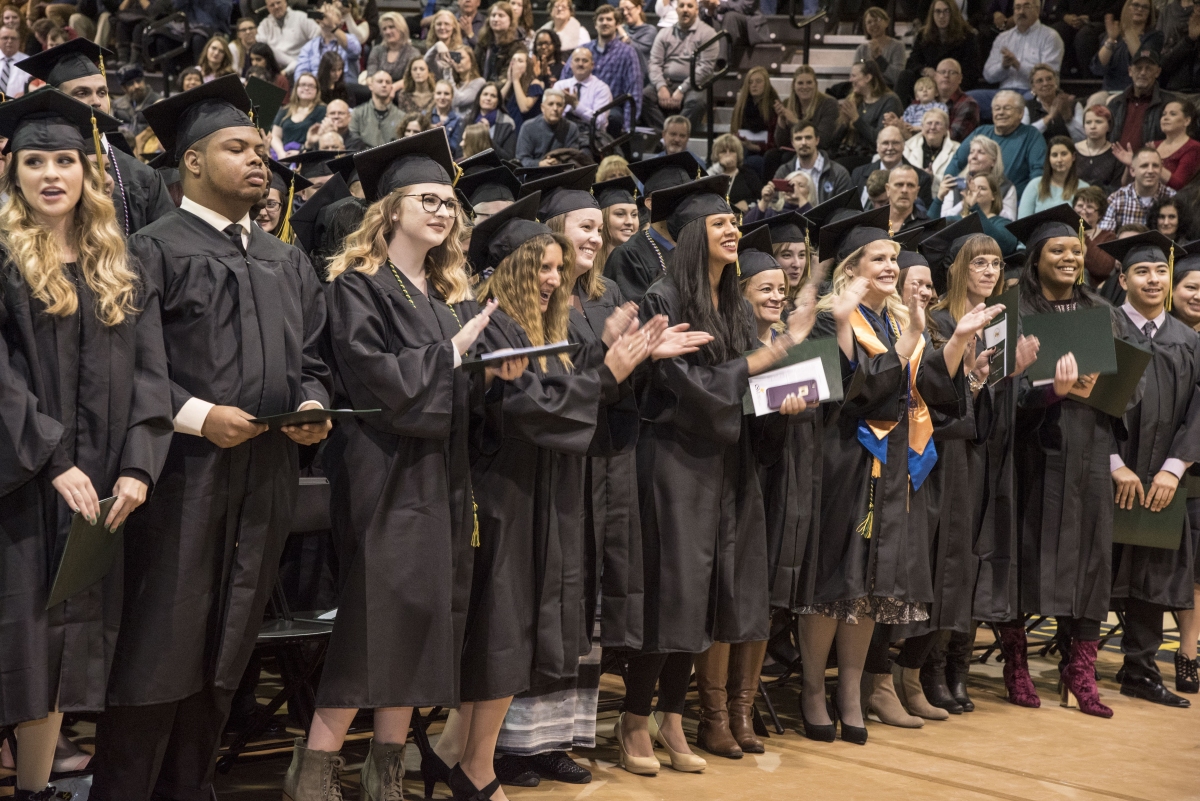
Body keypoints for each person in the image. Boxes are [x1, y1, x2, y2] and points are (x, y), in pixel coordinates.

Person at [89, 74, 333, 801]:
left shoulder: (285, 259)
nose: (260, 161)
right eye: (238, 148)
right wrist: (198, 415)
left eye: (262, 149)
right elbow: (127, 365)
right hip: (178, 478)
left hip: (263, 480)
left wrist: (313, 403)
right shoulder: (150, 249)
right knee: (157, 652)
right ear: (191, 161)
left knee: (228, 652)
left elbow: (312, 358)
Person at [281, 128, 506, 800]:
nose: (442, 211)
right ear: (390, 210)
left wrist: (490, 370)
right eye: (427, 200)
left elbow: (453, 392)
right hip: (382, 475)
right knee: (375, 623)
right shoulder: (357, 287)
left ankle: (386, 775)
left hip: (436, 476)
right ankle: (315, 773)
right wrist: (455, 355)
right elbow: (377, 380)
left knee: (419, 624)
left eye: (448, 202)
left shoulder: (439, 297)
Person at [440, 192, 663, 801]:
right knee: (500, 634)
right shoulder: (491, 324)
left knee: (515, 632)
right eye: (540, 268)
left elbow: (556, 381)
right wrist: (609, 370)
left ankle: (453, 752)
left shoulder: (538, 325)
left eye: (557, 270)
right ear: (510, 269)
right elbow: (530, 407)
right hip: (504, 501)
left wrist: (605, 352)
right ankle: (475, 766)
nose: (553, 279)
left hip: (538, 494)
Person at [0, 88, 171, 801]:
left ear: (86, 172)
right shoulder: (4, 260)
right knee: (24, 644)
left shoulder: (118, 265)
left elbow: (152, 375)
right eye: (34, 160)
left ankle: (36, 789)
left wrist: (137, 465)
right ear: (13, 173)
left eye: (64, 160)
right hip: (20, 489)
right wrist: (50, 456)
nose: (50, 174)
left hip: (97, 493)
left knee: (62, 652)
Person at [620, 174, 821, 774]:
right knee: (673, 595)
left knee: (710, 596)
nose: (734, 228)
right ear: (690, 235)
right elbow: (682, 388)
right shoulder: (663, 299)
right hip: (674, 462)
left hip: (727, 465)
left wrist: (782, 404)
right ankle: (635, 718)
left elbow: (746, 396)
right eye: (720, 222)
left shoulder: (730, 305)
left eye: (735, 221)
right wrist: (763, 360)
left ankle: (674, 718)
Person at [800, 206, 999, 745]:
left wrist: (956, 340)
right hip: (844, 460)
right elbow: (851, 392)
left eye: (893, 257)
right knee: (834, 580)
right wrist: (910, 332)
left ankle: (852, 693)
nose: (891, 265)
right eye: (879, 257)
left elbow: (931, 388)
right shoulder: (828, 317)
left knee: (870, 586)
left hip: (891, 467)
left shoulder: (892, 317)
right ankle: (815, 690)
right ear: (851, 266)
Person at [995, 204, 1123, 718]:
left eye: (1075, 249)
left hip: (1089, 450)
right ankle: (1016, 665)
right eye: (1058, 250)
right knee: (1025, 556)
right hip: (1034, 453)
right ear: (1036, 258)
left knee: (1092, 560)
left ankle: (1081, 670)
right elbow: (1004, 392)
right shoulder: (1017, 313)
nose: (1070, 257)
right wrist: (1051, 392)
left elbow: (1127, 388)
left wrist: (1100, 387)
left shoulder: (1100, 311)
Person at [1098, 232, 1200, 710]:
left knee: (1153, 575)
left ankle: (1139, 669)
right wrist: (1115, 464)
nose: (1154, 279)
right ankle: (1078, 664)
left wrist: (1174, 469)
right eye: (1142, 271)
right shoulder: (1108, 328)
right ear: (1123, 279)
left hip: (1164, 479)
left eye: (1161, 271)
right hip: (1108, 473)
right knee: (1096, 567)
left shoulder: (1189, 340)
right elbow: (1090, 405)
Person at [17, 38, 175, 236]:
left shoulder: (142, 176)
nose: (96, 102)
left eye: (102, 92)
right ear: (56, 99)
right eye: (82, 93)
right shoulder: (35, 174)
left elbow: (167, 247)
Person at [604, 151, 701, 303]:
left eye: (687, 197)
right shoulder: (629, 256)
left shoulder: (696, 249)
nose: (683, 204)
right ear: (650, 203)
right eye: (675, 197)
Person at [945, 90, 1047, 195]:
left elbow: (1038, 172)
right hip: (978, 198)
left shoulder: (1031, 135)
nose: (1001, 112)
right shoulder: (981, 132)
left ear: (1020, 113)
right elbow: (956, 161)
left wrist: (1029, 200)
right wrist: (947, 184)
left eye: (1007, 108)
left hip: (1015, 202)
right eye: (997, 108)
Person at [564, 4, 642, 130]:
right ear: (595, 24)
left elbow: (634, 92)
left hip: (610, 108)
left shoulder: (627, 53)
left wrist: (628, 127)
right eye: (601, 19)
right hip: (580, 101)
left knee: (613, 119)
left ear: (617, 24)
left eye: (609, 19)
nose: (605, 23)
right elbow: (565, 78)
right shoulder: (582, 50)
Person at [643, 0, 717, 130]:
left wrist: (682, 89)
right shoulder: (665, 33)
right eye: (681, 6)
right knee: (644, 97)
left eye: (690, 6)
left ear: (697, 10)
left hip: (694, 85)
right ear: (676, 10)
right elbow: (654, 63)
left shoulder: (708, 33)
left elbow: (705, 68)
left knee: (697, 103)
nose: (685, 9)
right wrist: (661, 86)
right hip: (667, 82)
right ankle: (664, 135)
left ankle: (675, 133)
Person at [898, 0, 982, 101]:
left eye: (946, 11)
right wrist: (924, 70)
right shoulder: (923, 35)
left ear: (953, 13)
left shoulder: (967, 36)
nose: (941, 16)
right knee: (905, 76)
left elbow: (972, 71)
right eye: (937, 11)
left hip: (953, 82)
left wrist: (946, 76)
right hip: (928, 82)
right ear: (932, 14)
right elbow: (912, 62)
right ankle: (899, 114)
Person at [983, 0, 1064, 92]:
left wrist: (1018, 65)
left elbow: (1049, 77)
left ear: (1038, 10)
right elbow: (988, 76)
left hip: (1033, 91)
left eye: (1026, 6)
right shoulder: (1003, 38)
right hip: (1004, 92)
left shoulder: (1050, 36)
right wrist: (1003, 66)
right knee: (973, 97)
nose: (1021, 12)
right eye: (1017, 8)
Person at [831, 60, 902, 164]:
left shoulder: (889, 101)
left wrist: (856, 119)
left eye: (854, 76)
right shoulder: (854, 99)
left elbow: (881, 139)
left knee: (840, 165)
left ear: (868, 78)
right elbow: (834, 143)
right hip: (848, 152)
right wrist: (845, 123)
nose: (850, 80)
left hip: (872, 156)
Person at [1122, 99, 1200, 191]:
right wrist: (1130, 165)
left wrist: (1155, 162)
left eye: (1173, 114)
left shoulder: (1193, 147)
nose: (1165, 118)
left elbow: (1179, 185)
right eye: (1164, 114)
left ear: (1187, 121)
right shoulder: (1153, 145)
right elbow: (1126, 184)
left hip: (1174, 202)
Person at [935, 136, 1019, 220]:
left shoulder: (1006, 187)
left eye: (981, 152)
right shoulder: (956, 183)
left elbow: (1010, 221)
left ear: (993, 161)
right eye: (971, 152)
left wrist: (986, 203)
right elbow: (944, 218)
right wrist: (965, 203)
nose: (973, 157)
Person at [850, 126, 934, 209]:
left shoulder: (922, 178)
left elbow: (924, 216)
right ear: (877, 147)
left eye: (895, 143)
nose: (890, 148)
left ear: (904, 145)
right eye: (885, 143)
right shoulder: (858, 174)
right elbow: (851, 210)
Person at [1106, 49, 1173, 152]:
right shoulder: (1115, 103)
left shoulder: (1169, 103)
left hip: (1150, 164)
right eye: (1138, 68)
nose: (1143, 73)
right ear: (1130, 71)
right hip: (1116, 164)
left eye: (1149, 68)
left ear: (1157, 72)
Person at [773, 121, 852, 204]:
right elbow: (774, 204)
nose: (803, 143)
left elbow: (846, 208)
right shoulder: (783, 172)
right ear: (793, 143)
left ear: (817, 140)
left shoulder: (838, 173)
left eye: (808, 137)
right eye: (798, 138)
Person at [1092, 0, 1161, 91]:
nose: (1140, 9)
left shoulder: (1154, 36)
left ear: (1149, 13)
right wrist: (1111, 39)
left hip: (1137, 91)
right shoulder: (1114, 33)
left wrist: (1128, 30)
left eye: (1145, 7)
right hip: (1109, 90)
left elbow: (1143, 59)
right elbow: (1098, 69)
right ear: (1127, 8)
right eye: (1136, 5)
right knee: (1094, 101)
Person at [1101, 146, 1175, 230]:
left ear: (1161, 169)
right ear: (1132, 171)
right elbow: (1105, 237)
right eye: (1144, 166)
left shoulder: (1173, 198)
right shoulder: (1116, 198)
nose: (1150, 171)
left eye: (1155, 166)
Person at [772, 65, 838, 156]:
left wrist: (795, 121)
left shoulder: (829, 104)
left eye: (809, 83)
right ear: (793, 86)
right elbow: (780, 143)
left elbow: (823, 141)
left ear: (815, 84)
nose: (805, 87)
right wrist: (781, 120)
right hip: (794, 149)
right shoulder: (787, 103)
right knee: (771, 155)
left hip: (818, 152)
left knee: (787, 157)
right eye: (800, 83)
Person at [294, 4, 362, 88]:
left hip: (345, 90)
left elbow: (355, 51)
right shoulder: (309, 47)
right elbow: (299, 75)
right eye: (323, 14)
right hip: (317, 91)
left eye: (331, 13)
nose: (326, 17)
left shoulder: (351, 39)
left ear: (340, 21)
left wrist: (332, 27)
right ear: (318, 20)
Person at [728, 67, 778, 180]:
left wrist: (755, 147)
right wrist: (740, 140)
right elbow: (734, 132)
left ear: (766, 84)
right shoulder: (741, 107)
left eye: (758, 81)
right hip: (744, 148)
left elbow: (776, 142)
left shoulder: (774, 107)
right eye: (750, 82)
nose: (754, 85)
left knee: (752, 161)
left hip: (764, 152)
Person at [1019, 135, 1088, 215]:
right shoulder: (1034, 185)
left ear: (1073, 157)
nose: (1059, 160)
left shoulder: (1084, 188)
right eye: (1054, 155)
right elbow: (1022, 221)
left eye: (1064, 154)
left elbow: (1086, 221)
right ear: (1049, 158)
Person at [554, 46, 615, 131]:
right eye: (577, 60)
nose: (580, 64)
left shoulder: (602, 89)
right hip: (562, 134)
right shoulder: (560, 86)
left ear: (592, 65)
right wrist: (562, 106)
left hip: (590, 137)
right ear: (571, 64)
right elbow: (551, 116)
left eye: (585, 61)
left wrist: (576, 105)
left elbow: (599, 123)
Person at [515, 88, 579, 168]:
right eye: (550, 104)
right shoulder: (528, 127)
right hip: (534, 174)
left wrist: (558, 162)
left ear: (563, 109)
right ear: (542, 108)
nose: (555, 108)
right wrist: (539, 164)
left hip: (561, 174)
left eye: (559, 105)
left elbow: (573, 157)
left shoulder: (571, 128)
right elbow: (522, 158)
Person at [258, 0, 321, 77]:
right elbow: (261, 46)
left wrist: (306, 60)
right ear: (267, 8)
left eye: (278, 3)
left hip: (302, 66)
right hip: (276, 69)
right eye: (272, 5)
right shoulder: (264, 24)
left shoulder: (301, 17)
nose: (276, 7)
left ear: (285, 2)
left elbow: (317, 37)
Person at [593, 174, 639, 277]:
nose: (629, 221)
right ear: (602, 219)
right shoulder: (587, 266)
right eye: (620, 214)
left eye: (634, 214)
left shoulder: (644, 265)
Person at [1026, 62, 1084, 141]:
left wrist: (1068, 119)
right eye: (1040, 81)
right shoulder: (1027, 107)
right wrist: (1049, 117)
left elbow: (1083, 138)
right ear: (1033, 87)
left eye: (1049, 79)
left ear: (1056, 82)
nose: (1045, 83)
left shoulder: (1073, 104)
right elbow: (1025, 136)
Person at [273, 72, 326, 157]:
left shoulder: (322, 110)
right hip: (284, 155)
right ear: (296, 88)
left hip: (308, 156)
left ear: (317, 90)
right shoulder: (285, 110)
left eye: (311, 86)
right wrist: (281, 153)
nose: (306, 88)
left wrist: (301, 153)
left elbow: (321, 137)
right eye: (302, 85)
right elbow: (275, 136)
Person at [1076, 105, 1126, 192]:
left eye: (1098, 122)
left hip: (1105, 202)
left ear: (1109, 126)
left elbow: (1116, 189)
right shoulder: (1072, 150)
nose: (1092, 126)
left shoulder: (1116, 153)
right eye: (1088, 122)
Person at [1075, 185, 1118, 285]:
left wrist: (1083, 232)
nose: (1083, 210)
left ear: (1100, 214)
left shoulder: (1108, 237)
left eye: (1089, 207)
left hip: (1094, 292)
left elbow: (1103, 269)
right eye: (1080, 206)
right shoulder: (1066, 232)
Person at [854, 6, 906, 88]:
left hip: (888, 89)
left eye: (877, 20)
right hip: (866, 89)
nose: (873, 24)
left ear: (887, 22)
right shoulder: (861, 50)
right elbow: (856, 76)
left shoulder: (897, 46)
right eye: (869, 22)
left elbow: (898, 77)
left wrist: (879, 58)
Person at [350, 70, 405, 148]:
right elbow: (352, 139)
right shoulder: (357, 113)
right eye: (380, 81)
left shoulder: (402, 117)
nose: (384, 85)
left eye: (388, 82)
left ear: (391, 87)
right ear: (371, 86)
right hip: (364, 156)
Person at [709, 133, 763, 212]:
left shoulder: (748, 174)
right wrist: (720, 166)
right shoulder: (712, 174)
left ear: (738, 155)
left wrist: (747, 203)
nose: (728, 155)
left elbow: (761, 198)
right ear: (717, 155)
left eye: (732, 151)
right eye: (723, 151)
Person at [903, 108, 958, 184]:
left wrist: (933, 179)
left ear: (946, 129)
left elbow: (958, 179)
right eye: (929, 123)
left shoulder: (957, 150)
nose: (932, 127)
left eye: (938, 123)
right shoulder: (907, 147)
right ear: (922, 127)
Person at [931, 58, 979, 143]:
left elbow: (955, 136)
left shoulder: (968, 104)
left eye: (952, 72)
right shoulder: (925, 100)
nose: (946, 76)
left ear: (960, 78)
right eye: (942, 72)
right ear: (935, 77)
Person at [366, 11, 420, 84]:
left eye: (391, 27)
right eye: (384, 29)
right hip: (377, 90)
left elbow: (409, 79)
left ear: (401, 29)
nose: (387, 32)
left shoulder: (413, 53)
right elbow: (370, 76)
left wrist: (392, 88)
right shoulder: (376, 50)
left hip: (402, 91)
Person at [475, 0, 522, 81]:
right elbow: (474, 68)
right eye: (493, 15)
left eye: (501, 15)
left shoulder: (517, 47)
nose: (496, 19)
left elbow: (507, 76)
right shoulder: (483, 43)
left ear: (510, 20)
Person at [112, 63, 159, 139]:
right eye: (130, 83)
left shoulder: (158, 102)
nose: (136, 86)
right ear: (124, 88)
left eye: (138, 81)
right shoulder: (117, 106)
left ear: (144, 80)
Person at [501, 50, 544, 132]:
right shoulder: (511, 85)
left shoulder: (535, 84)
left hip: (524, 131)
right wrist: (509, 81)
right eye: (513, 60)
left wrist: (516, 80)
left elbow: (524, 108)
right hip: (508, 131)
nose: (515, 63)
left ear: (528, 66)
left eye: (520, 61)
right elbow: (496, 103)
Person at [885, 163, 929, 232]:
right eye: (899, 184)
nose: (904, 190)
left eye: (910, 185)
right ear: (888, 189)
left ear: (917, 192)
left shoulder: (928, 228)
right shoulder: (872, 224)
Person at [620, 0, 657, 68]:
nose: (625, 13)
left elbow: (636, 51)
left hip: (641, 73)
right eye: (622, 10)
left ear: (638, 9)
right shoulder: (620, 29)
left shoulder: (649, 30)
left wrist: (621, 32)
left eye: (628, 9)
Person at [0, 24, 27, 96]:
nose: (9, 41)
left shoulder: (28, 62)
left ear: (19, 41)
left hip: (17, 105)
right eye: (5, 38)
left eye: (13, 38)